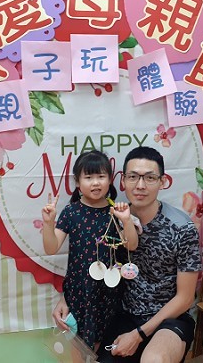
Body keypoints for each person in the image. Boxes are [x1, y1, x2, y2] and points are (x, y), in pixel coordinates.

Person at [54, 146, 203, 362]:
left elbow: (185, 297)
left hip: (168, 320)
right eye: (133, 177)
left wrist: (138, 334)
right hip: (122, 315)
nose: (140, 185)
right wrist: (66, 299)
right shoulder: (111, 218)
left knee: (154, 360)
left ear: (163, 182)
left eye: (150, 178)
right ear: (122, 181)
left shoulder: (182, 228)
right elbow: (87, 262)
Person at [42, 150, 139, 351]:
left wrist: (126, 220)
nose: (95, 183)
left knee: (101, 344)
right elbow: (51, 248)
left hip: (109, 291)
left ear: (110, 180)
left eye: (101, 176)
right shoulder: (71, 212)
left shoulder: (116, 211)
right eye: (88, 177)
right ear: (77, 182)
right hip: (79, 291)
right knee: (76, 343)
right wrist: (49, 223)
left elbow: (131, 245)